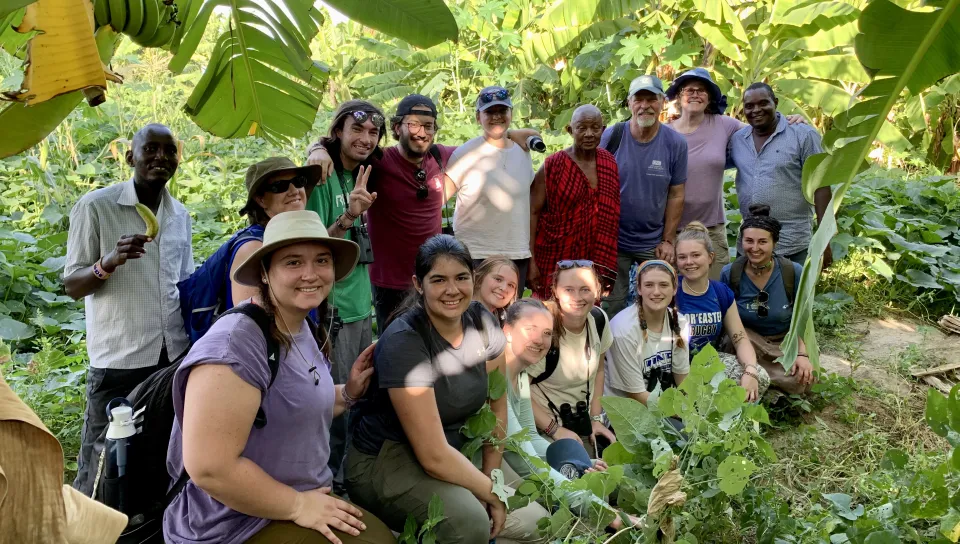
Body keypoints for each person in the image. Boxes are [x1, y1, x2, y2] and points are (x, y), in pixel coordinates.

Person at [162, 210, 394, 544]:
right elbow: (209, 467)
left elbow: (288, 407)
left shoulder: (300, 327)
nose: (311, 274)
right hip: (233, 522)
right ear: (265, 273)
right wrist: (299, 505)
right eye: (293, 262)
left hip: (295, 499)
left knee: (381, 538)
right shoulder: (236, 345)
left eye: (322, 260)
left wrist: (348, 394)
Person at [344, 235, 547, 544]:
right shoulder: (405, 342)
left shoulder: (482, 322)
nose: (452, 290)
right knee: (471, 522)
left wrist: (490, 480)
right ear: (418, 283)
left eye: (461, 278)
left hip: (455, 448)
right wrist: (489, 494)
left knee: (537, 523)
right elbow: (432, 455)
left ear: (472, 279)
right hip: (388, 459)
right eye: (438, 280)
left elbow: (497, 412)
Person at [306, 95, 540, 329]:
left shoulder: (442, 157)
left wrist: (510, 134)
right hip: (390, 283)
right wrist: (317, 148)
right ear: (397, 128)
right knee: (393, 348)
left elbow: (488, 144)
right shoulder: (379, 162)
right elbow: (347, 149)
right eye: (413, 124)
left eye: (428, 126)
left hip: (432, 279)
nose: (421, 132)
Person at [64, 123, 193, 495]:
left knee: (154, 449)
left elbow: (182, 284)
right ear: (129, 157)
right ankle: (87, 522)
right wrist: (108, 261)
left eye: (169, 151)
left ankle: (140, 523)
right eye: (150, 149)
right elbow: (72, 285)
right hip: (119, 357)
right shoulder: (96, 207)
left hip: (171, 354)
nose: (160, 158)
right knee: (101, 456)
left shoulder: (179, 215)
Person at [501, 298, 641, 533]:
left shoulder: (521, 376)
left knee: (589, 478)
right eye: (530, 330)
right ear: (507, 331)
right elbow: (520, 456)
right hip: (493, 468)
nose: (539, 340)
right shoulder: (495, 378)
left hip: (513, 462)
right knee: (552, 523)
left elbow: (531, 439)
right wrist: (605, 513)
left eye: (547, 333)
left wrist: (583, 465)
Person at [304, 100, 385, 488]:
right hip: (331, 312)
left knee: (357, 398)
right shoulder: (322, 175)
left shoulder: (363, 173)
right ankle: (328, 483)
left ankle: (349, 476)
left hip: (358, 307)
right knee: (334, 403)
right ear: (337, 131)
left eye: (373, 133)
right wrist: (349, 216)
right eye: (357, 130)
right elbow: (315, 248)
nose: (365, 139)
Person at [665, 69, 809, 279]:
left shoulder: (724, 125)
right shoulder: (664, 132)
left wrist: (788, 120)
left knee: (714, 293)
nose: (695, 94)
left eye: (702, 90)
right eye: (689, 90)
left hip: (711, 228)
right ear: (679, 95)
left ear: (710, 97)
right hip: (670, 229)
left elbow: (763, 131)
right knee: (671, 295)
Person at [600, 75, 688, 317]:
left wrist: (668, 240)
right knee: (611, 304)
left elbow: (676, 194)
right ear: (629, 103)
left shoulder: (675, 143)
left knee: (660, 298)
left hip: (653, 241)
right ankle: (608, 352)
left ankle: (657, 349)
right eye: (639, 99)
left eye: (652, 99)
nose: (645, 105)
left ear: (662, 103)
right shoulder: (612, 136)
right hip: (614, 240)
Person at [728, 82, 832, 267]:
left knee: (792, 294)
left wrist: (825, 239)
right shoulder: (738, 139)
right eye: (749, 106)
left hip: (792, 241)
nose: (756, 110)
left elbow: (821, 186)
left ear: (775, 102)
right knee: (747, 295)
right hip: (751, 243)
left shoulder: (803, 135)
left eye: (763, 103)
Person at [443, 86, 536, 293]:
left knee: (510, 318)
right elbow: (437, 201)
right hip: (476, 254)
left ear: (511, 113)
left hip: (516, 253)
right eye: (489, 112)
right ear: (478, 117)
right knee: (474, 320)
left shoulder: (523, 152)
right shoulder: (465, 154)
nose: (496, 117)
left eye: (502, 111)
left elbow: (528, 204)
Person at [720, 204, 815, 395]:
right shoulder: (731, 273)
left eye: (762, 242)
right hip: (747, 341)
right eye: (749, 241)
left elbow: (803, 319)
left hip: (784, 343)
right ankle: (764, 380)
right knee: (733, 345)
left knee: (802, 378)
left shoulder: (792, 272)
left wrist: (802, 353)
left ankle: (763, 381)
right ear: (741, 242)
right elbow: (725, 321)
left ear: (775, 243)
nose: (754, 248)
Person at [529, 104, 620, 299]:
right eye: (581, 128)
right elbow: (532, 212)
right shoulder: (553, 165)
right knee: (551, 309)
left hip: (595, 258)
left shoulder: (609, 162)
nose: (589, 134)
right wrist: (531, 261)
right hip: (555, 256)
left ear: (603, 130)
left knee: (586, 310)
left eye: (595, 128)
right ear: (570, 130)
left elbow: (610, 215)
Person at [674, 222, 770, 402]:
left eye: (696, 255)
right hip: (672, 364)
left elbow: (740, 337)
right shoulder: (670, 290)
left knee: (760, 377)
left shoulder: (721, 292)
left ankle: (735, 423)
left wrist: (750, 369)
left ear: (710, 257)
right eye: (682, 257)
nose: (689, 262)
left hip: (706, 362)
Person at [527, 261, 616, 453]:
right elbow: (518, 390)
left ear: (597, 291)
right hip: (544, 428)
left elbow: (599, 371)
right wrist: (554, 430)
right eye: (569, 289)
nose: (577, 297)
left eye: (585, 289)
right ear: (555, 291)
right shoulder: (544, 330)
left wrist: (595, 419)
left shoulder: (598, 319)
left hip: (583, 425)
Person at [229, 157, 323, 308]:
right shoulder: (253, 248)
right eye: (280, 186)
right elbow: (249, 318)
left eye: (299, 181)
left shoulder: (294, 236)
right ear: (261, 200)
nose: (294, 191)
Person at [605, 261, 690, 405]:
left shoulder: (679, 323)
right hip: (626, 410)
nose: (656, 292)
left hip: (661, 403)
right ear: (638, 288)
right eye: (649, 285)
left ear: (674, 289)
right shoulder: (623, 330)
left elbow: (683, 381)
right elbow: (636, 395)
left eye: (663, 285)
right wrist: (682, 412)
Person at [473, 256, 520, 325]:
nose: (504, 288)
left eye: (511, 285)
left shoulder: (503, 319)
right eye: (498, 279)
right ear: (479, 278)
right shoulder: (459, 316)